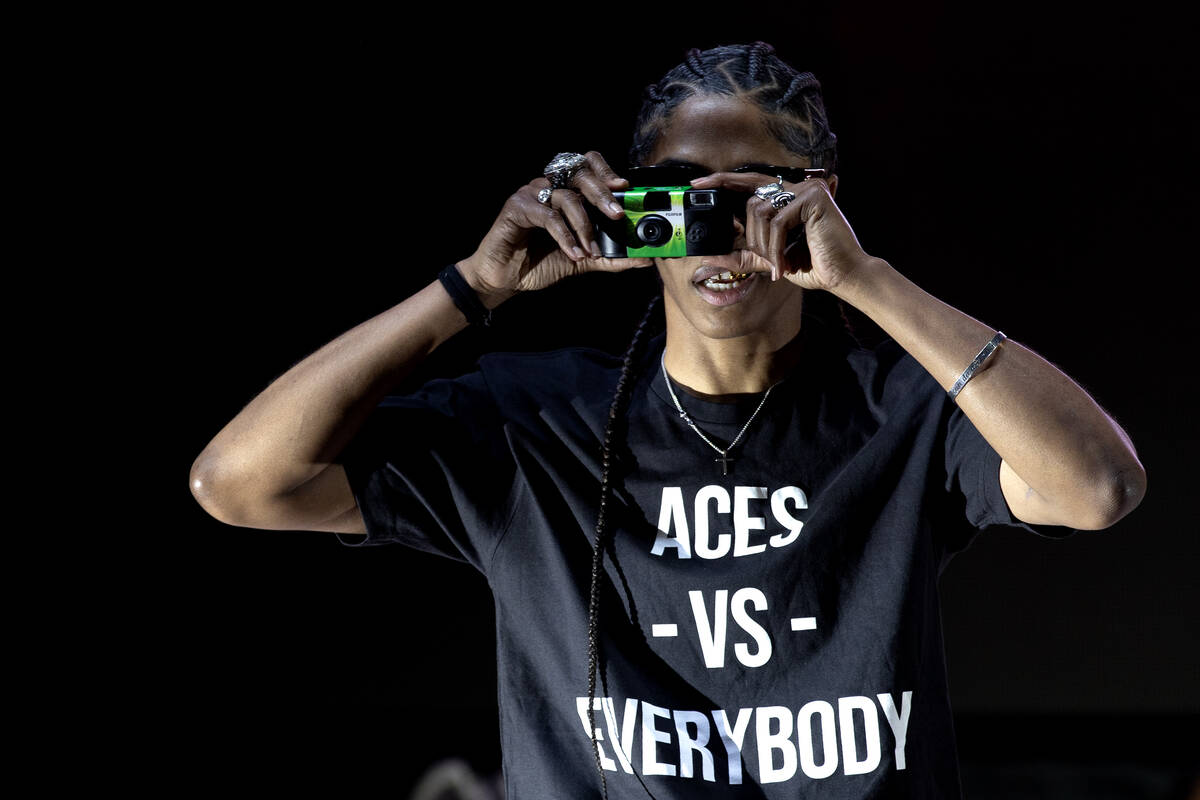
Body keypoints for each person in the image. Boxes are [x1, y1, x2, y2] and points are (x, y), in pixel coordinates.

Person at [190, 42, 1146, 798]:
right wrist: (473, 288)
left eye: (752, 193)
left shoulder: (899, 413)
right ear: (630, 208)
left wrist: (868, 281)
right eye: (680, 194)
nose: (715, 232)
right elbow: (238, 483)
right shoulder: (539, 421)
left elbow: (1099, 487)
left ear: (819, 198)